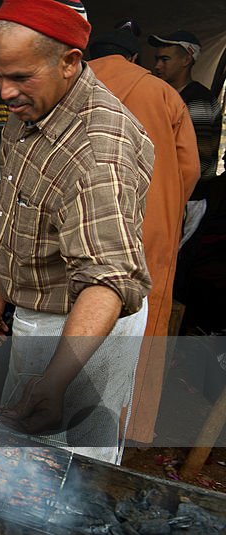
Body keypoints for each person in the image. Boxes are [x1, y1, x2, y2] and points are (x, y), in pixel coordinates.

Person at [0, 0, 154, 464]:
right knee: (24, 464)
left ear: (71, 62)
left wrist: (55, 383)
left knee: (73, 476)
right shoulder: (28, 109)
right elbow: (19, 207)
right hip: (39, 316)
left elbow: (109, 280)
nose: (4, 92)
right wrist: (1, 287)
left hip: (85, 331)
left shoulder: (99, 149)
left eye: (18, 77)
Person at [88, 29, 200, 443]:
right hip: (144, 227)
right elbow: (188, 171)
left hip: (75, 226)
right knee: (140, 318)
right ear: (133, 57)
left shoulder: (63, 87)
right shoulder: (164, 94)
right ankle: (121, 422)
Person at [149, 30, 223, 191]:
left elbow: (197, 161)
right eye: (157, 59)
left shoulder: (198, 101)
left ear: (186, 60)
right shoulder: (170, 96)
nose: (157, 66)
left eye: (165, 59)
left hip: (189, 195)